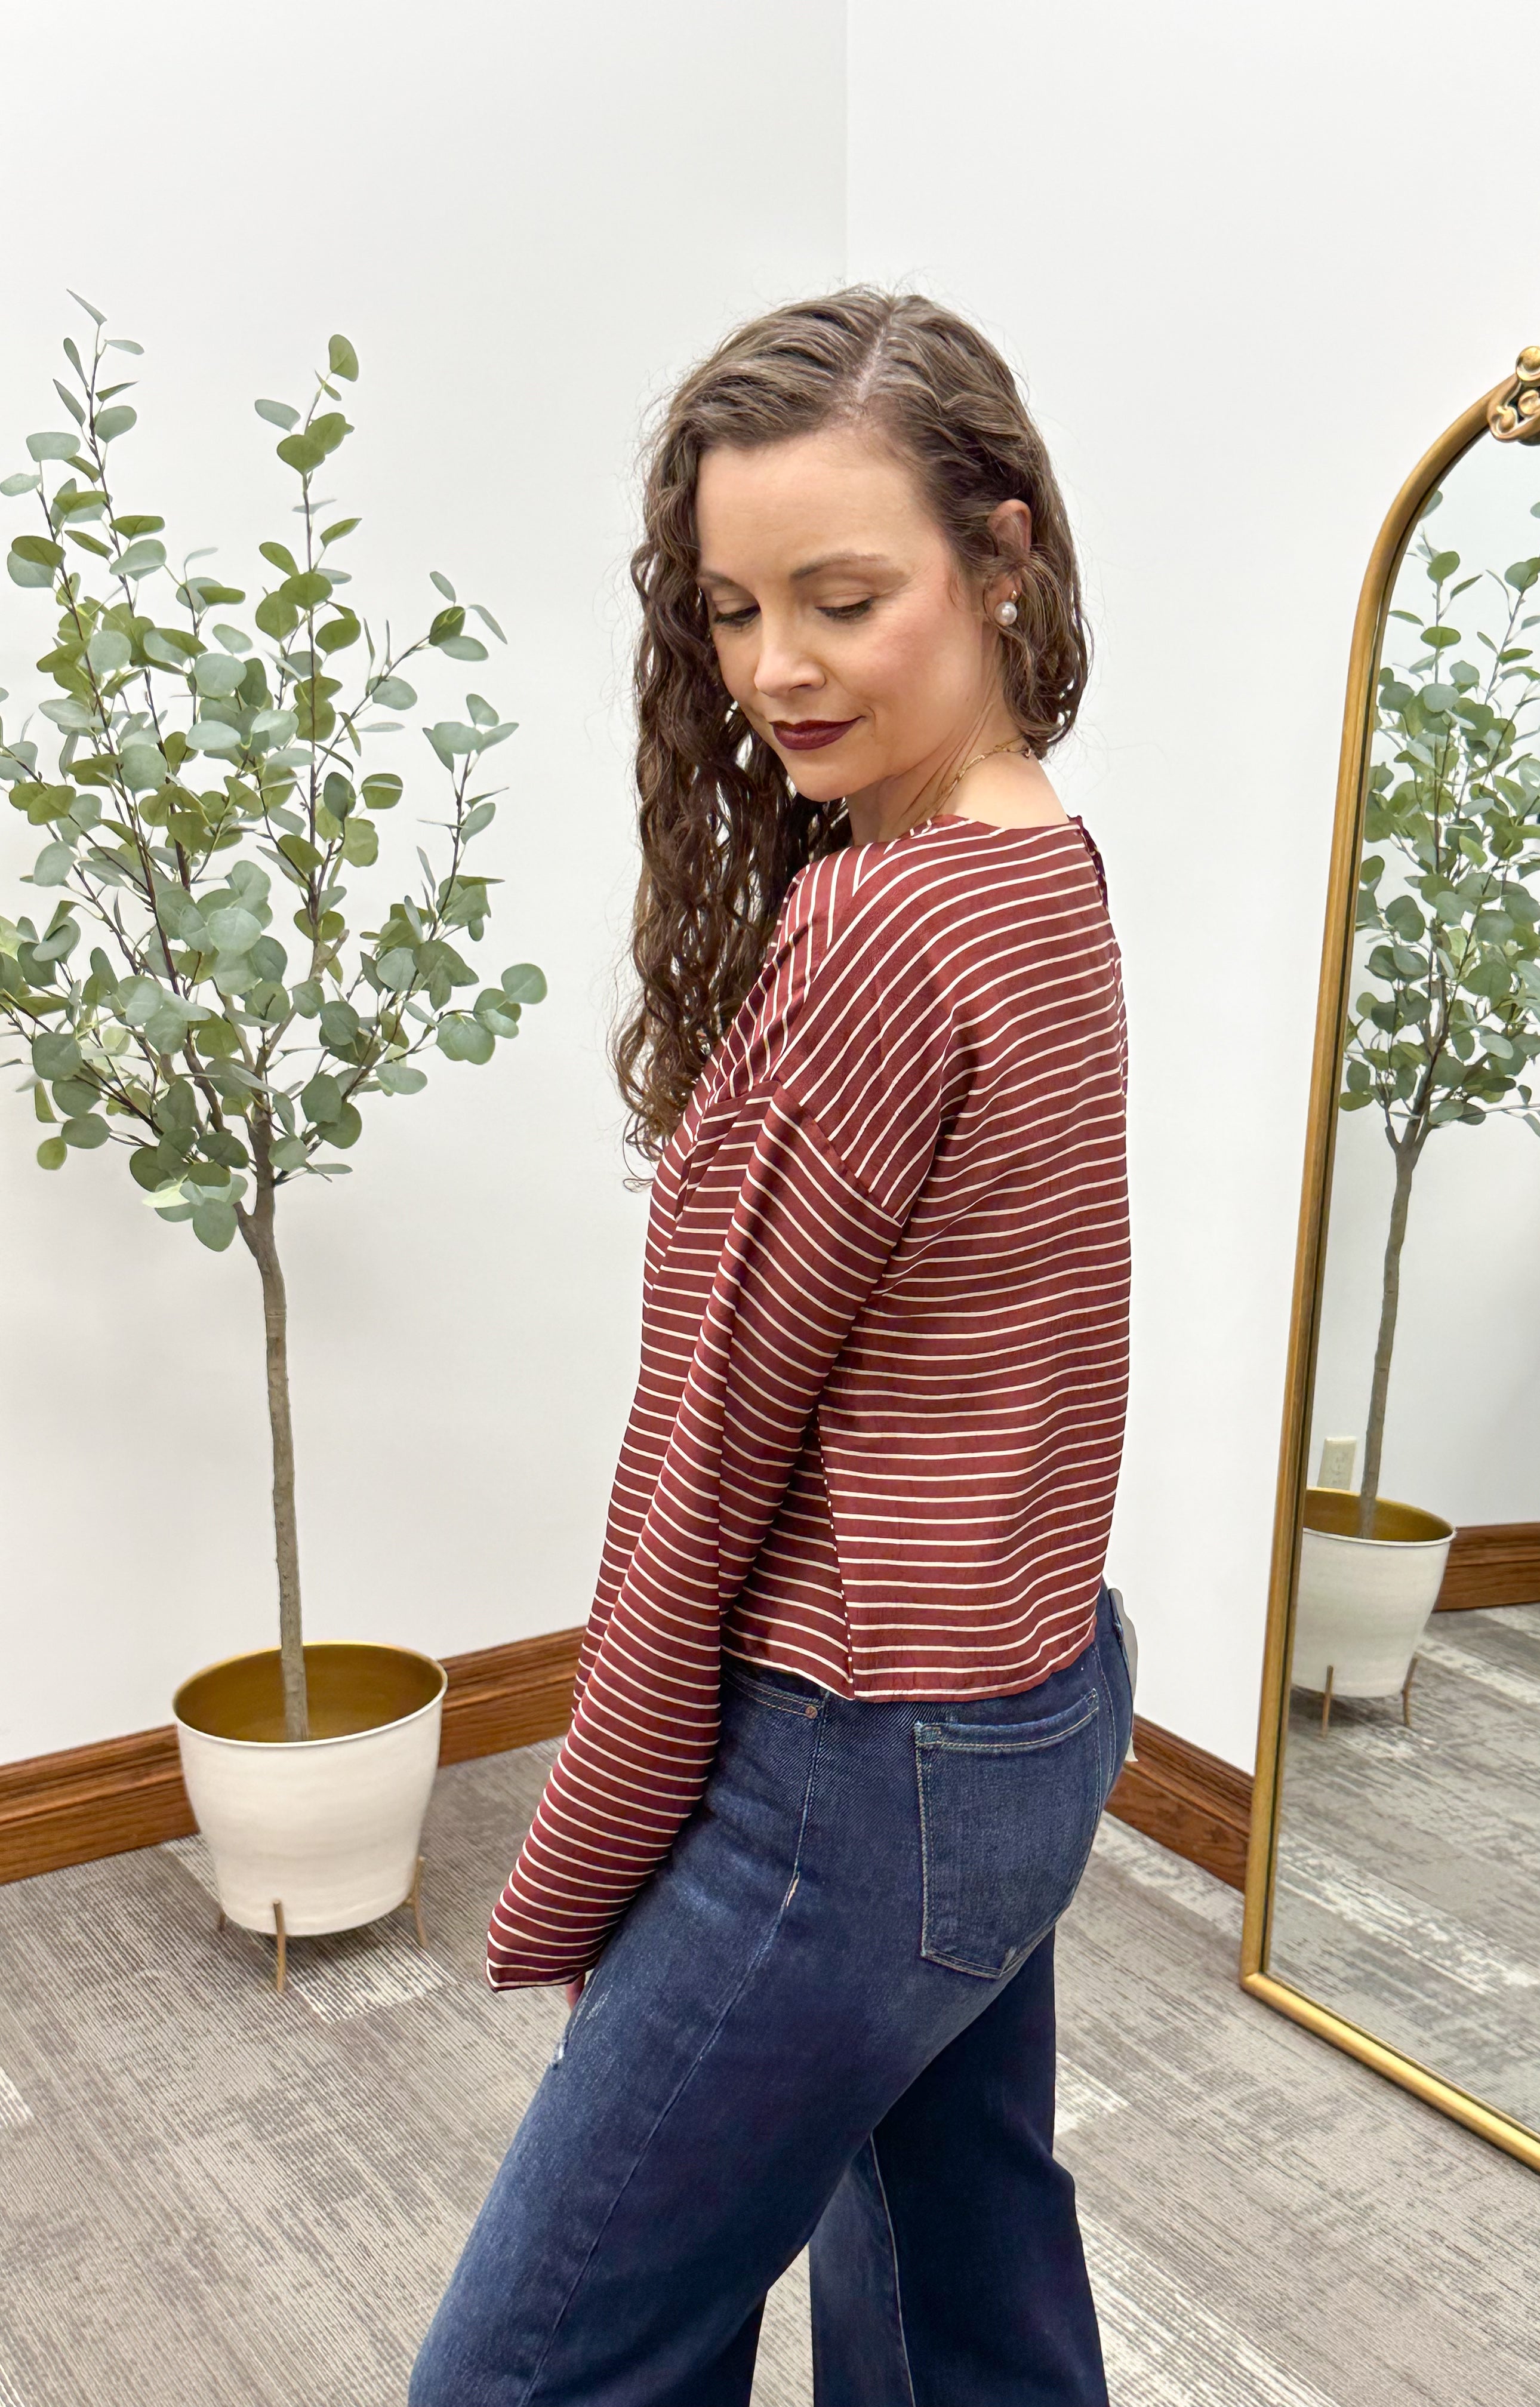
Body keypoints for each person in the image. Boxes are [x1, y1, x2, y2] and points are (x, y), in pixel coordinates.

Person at [411, 290, 1134, 2407]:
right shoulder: (1040, 864)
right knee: (961, 2286)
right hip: (1032, 1702)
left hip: (851, 1760)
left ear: (1002, 555)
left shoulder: (882, 927)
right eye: (731, 611)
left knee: (538, 2368)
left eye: (843, 596)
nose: (776, 671)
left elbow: (705, 1450)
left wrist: (588, 1850)